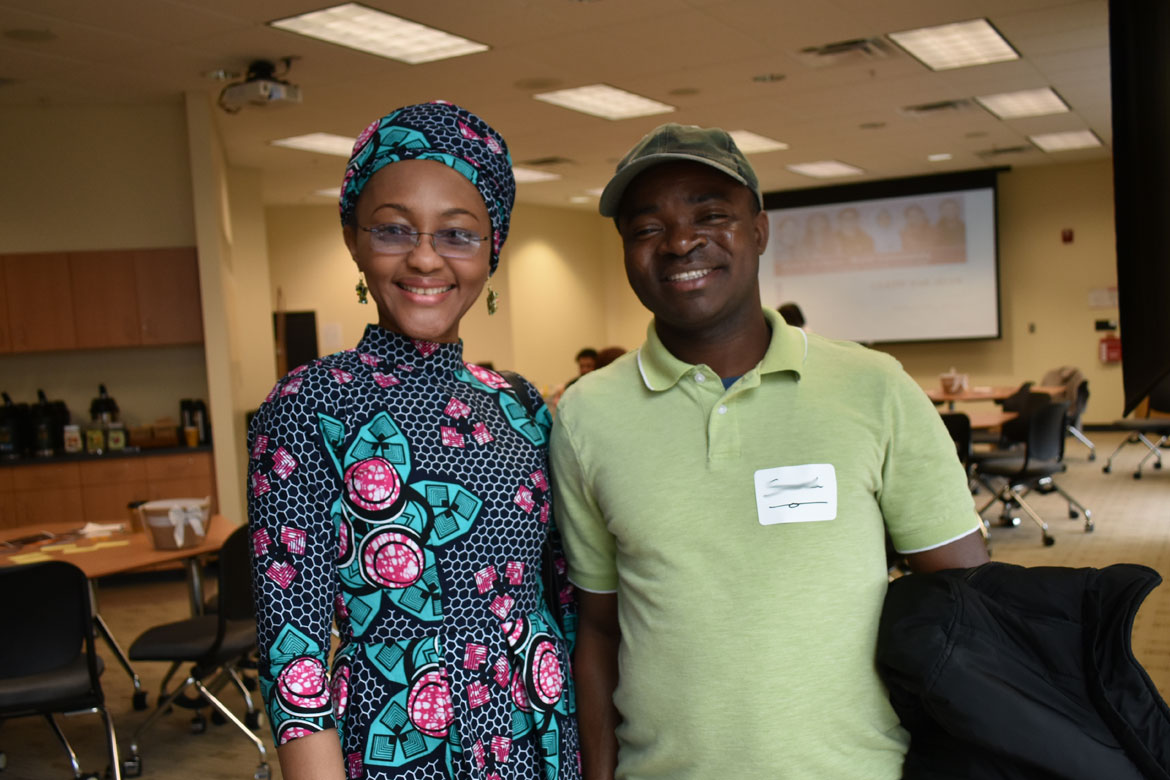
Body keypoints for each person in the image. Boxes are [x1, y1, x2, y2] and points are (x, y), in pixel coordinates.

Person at [549, 122, 988, 780]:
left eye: (710, 214)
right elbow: (601, 628)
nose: (679, 241)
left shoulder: (873, 389)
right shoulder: (586, 415)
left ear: (758, 230)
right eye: (646, 227)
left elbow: (968, 602)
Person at [247, 101, 580, 780]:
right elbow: (295, 658)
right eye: (394, 230)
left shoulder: (519, 405)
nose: (425, 258)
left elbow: (564, 601)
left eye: (457, 234)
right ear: (353, 238)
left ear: (494, 247)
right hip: (399, 741)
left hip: (538, 736)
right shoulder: (308, 404)